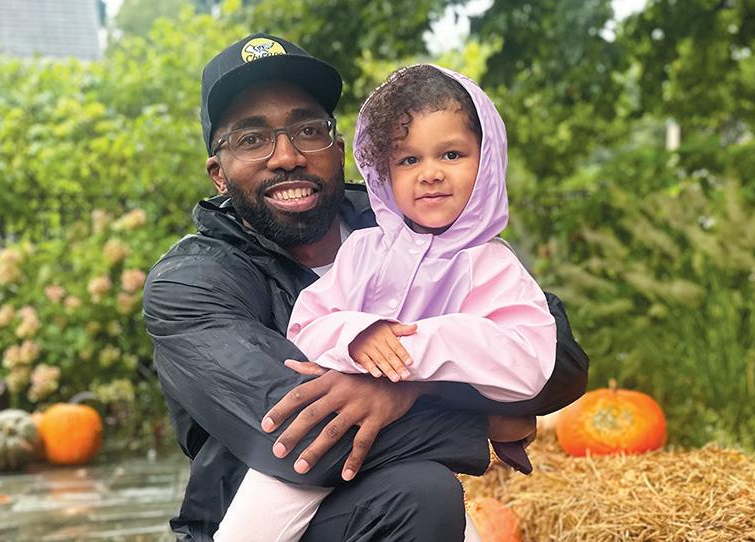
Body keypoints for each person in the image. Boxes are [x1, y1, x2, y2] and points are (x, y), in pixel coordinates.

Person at [143, 32, 589, 542]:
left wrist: (410, 384)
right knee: (415, 493)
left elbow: (558, 358)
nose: (286, 155)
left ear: (338, 150)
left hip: (386, 492)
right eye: (251, 139)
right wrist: (485, 423)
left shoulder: (413, 227)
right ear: (218, 175)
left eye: (308, 130)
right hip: (263, 503)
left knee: (423, 494)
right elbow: (301, 430)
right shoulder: (191, 283)